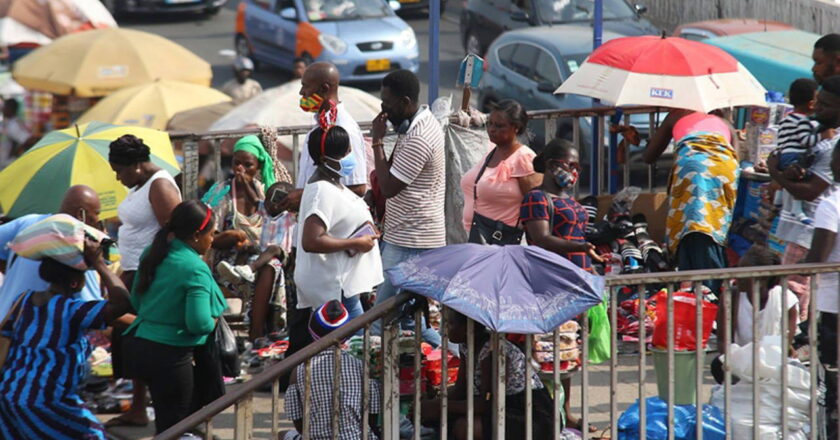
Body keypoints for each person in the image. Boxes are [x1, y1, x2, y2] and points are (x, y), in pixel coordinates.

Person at [0, 223, 132, 439]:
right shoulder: (72, 310)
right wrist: (99, 264)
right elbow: (123, 302)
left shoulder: (23, 300)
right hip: (46, 400)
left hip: (9, 394)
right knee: (94, 435)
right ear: (75, 282)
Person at [122, 200, 227, 435]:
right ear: (197, 235)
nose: (213, 240)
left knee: (166, 421)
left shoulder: (152, 253)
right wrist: (214, 321)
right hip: (171, 357)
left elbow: (137, 302)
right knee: (176, 427)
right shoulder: (194, 267)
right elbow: (198, 323)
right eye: (212, 234)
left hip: (140, 347)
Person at [519, 138, 600, 432]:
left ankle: (565, 412)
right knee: (545, 352)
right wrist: (581, 246)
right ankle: (547, 415)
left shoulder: (571, 201)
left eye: (578, 166)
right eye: (570, 165)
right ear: (553, 165)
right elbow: (541, 238)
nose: (575, 171)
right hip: (549, 284)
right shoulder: (536, 198)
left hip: (576, 283)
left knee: (567, 349)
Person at [107, 134, 181, 428]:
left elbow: (172, 233)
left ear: (136, 165)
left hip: (149, 274)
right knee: (129, 338)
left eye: (119, 171)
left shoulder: (160, 185)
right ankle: (138, 406)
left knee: (135, 332)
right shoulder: (140, 184)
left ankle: (149, 404)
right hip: (133, 271)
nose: (117, 177)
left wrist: (150, 272)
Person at [369, 69, 446, 346]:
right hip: (405, 234)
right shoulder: (412, 126)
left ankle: (370, 373)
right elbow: (392, 171)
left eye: (387, 105)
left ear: (404, 102)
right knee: (409, 320)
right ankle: (450, 358)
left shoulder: (419, 137)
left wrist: (377, 141)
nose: (383, 111)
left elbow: (389, 187)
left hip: (412, 240)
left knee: (379, 318)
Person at [292, 125, 382, 354]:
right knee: (359, 348)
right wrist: (356, 243)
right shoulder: (321, 190)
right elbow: (311, 240)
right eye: (346, 153)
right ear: (325, 159)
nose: (351, 157)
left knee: (357, 347)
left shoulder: (333, 184)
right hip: (335, 287)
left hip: (344, 285)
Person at [770, 76, 840, 333]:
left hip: (811, 231)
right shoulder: (817, 135)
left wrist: (775, 172)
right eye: (817, 103)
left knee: (793, 291)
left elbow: (810, 191)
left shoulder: (834, 146)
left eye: (825, 105)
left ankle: (794, 338)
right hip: (801, 227)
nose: (817, 109)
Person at [418, 309, 555, 439]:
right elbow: (460, 388)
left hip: (527, 412)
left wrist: (440, 405)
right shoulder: (466, 346)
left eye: (451, 324)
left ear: (467, 329)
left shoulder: (493, 352)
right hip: (500, 406)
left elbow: (487, 403)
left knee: (464, 427)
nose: (446, 329)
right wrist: (433, 403)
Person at [644, 109, 739, 293]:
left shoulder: (676, 114)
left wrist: (653, 139)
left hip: (693, 166)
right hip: (725, 168)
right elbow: (736, 157)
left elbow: (649, 156)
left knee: (692, 227)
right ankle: (713, 289)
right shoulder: (725, 123)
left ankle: (700, 290)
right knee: (712, 227)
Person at [204, 134, 283, 341]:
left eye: (248, 165)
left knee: (272, 266)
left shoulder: (265, 192)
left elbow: (276, 224)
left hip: (258, 260)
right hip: (227, 262)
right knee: (263, 271)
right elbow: (208, 238)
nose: (240, 169)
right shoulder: (221, 192)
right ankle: (257, 334)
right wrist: (233, 237)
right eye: (236, 163)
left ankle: (261, 333)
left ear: (258, 167)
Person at [281, 299, 382, 440]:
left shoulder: (298, 372)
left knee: (282, 435)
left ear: (311, 331)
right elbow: (372, 419)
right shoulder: (361, 367)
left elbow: (300, 426)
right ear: (346, 334)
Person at [0, 185, 104, 320]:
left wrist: (11, 273)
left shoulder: (28, 221)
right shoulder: (77, 250)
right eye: (97, 213)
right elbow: (93, 308)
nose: (98, 219)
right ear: (81, 214)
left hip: (5, 319)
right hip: (37, 329)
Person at [284, 62, 368, 209]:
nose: (302, 92)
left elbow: (358, 188)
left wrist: (305, 195)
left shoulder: (345, 129)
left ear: (324, 89)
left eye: (306, 86)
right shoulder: (321, 122)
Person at [712, 245, 800, 384]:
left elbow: (784, 344)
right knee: (717, 365)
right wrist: (741, 363)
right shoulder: (731, 297)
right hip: (740, 364)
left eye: (744, 272)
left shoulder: (786, 300)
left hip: (773, 364)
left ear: (762, 279)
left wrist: (763, 368)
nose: (737, 277)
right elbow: (723, 341)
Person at [460, 99, 541, 244]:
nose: (491, 129)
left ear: (516, 128)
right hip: (477, 237)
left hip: (504, 244)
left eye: (499, 126)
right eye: (490, 123)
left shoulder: (524, 159)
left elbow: (537, 207)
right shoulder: (492, 151)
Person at [217, 181, 296, 330]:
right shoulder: (264, 212)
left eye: (274, 201)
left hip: (283, 255)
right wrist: (243, 179)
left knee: (272, 249)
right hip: (262, 256)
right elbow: (253, 199)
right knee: (253, 250)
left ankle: (249, 269)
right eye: (267, 202)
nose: (269, 206)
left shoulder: (289, 217)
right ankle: (241, 276)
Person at [772, 78, 819, 226]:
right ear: (811, 104)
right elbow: (806, 140)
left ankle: (778, 199)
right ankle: (797, 210)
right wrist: (822, 136)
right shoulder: (804, 121)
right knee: (802, 178)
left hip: (783, 155)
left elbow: (781, 139)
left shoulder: (786, 119)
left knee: (786, 177)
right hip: (796, 155)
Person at [0, 98, 34, 169]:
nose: (2, 109)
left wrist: (14, 154)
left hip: (8, 164)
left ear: (10, 109)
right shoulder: (9, 122)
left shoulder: (14, 125)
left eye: (4, 107)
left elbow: (27, 140)